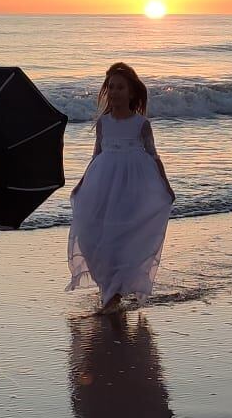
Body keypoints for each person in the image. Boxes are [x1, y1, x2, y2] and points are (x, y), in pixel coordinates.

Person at [67, 62, 175, 312]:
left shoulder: (141, 124)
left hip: (133, 184)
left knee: (123, 237)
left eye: (120, 87)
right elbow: (96, 156)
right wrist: (81, 184)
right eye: (111, 87)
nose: (114, 92)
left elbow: (154, 156)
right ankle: (109, 288)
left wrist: (166, 186)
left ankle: (117, 291)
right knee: (96, 235)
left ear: (131, 92)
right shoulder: (104, 123)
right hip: (103, 181)